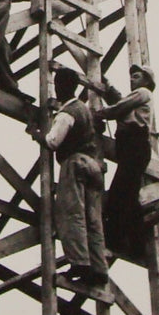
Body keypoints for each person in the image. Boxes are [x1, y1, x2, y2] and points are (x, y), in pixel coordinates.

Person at [40, 67, 108, 286]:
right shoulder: (85, 110)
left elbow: (53, 142)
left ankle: (80, 264)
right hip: (93, 166)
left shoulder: (68, 112)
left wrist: (37, 135)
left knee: (72, 213)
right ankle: (99, 268)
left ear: (62, 86)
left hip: (75, 163)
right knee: (93, 219)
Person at [95, 64, 156, 259]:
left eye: (136, 76)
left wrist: (100, 113)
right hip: (131, 147)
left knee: (121, 195)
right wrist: (108, 86)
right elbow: (121, 102)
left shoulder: (143, 92)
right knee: (127, 195)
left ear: (146, 80)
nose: (132, 80)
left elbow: (120, 107)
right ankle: (133, 244)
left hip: (135, 145)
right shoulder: (136, 98)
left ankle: (123, 242)